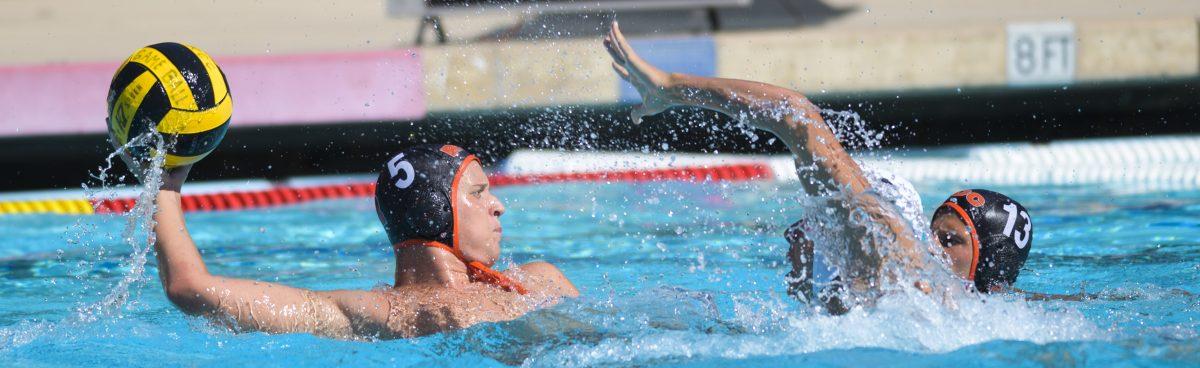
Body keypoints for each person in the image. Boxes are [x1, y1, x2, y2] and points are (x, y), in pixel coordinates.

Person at [603, 21, 1034, 312]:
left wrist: (670, 87)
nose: (926, 243)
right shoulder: (971, 315)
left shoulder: (907, 274)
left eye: (948, 239)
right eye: (930, 229)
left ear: (985, 272)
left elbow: (796, 115)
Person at [146, 144, 578, 339]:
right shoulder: (379, 314)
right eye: (479, 192)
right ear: (437, 210)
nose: (499, 205)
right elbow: (190, 288)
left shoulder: (542, 279)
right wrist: (163, 182)